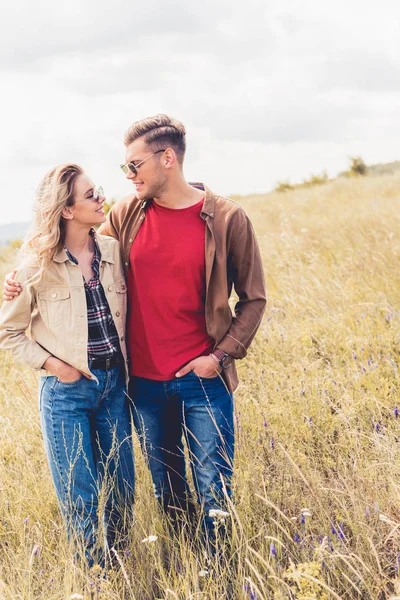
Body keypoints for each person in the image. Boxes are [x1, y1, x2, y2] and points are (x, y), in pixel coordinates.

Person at [4, 114, 266, 548]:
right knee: (167, 493)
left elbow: (253, 299)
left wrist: (217, 358)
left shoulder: (225, 218)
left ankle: (219, 579)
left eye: (134, 165)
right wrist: (18, 278)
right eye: (124, 167)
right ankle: (186, 568)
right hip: (141, 386)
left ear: (167, 159)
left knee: (214, 491)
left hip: (202, 380)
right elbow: (70, 245)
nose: (126, 176)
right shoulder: (128, 213)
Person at [0, 164, 135, 568]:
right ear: (67, 210)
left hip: (114, 386)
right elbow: (8, 333)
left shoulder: (113, 250)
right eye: (91, 195)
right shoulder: (33, 267)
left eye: (99, 191)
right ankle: (95, 581)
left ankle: (123, 571)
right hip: (67, 395)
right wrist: (56, 366)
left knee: (123, 491)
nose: (101, 199)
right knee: (81, 496)